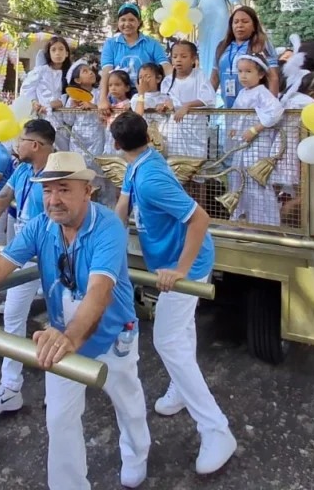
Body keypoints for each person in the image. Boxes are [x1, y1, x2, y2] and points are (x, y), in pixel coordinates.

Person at [0, 151, 150, 490]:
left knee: (128, 403)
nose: (53, 199)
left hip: (110, 334)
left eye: (64, 189)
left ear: (87, 190)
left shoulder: (107, 226)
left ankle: (137, 454)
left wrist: (71, 337)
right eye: (47, 190)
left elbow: (99, 291)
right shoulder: (40, 226)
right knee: (60, 420)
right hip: (62, 340)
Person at [112, 113, 236, 474]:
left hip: (188, 265)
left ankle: (216, 429)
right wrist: (105, 238)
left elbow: (199, 219)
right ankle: (181, 390)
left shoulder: (150, 177)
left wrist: (181, 270)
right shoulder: (138, 165)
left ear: (117, 145)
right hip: (169, 262)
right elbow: (121, 205)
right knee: (181, 334)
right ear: (147, 136)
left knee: (166, 340)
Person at [0, 119, 54, 417]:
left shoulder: (59, 173)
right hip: (25, 254)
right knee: (14, 316)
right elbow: (2, 199)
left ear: (35, 145)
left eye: (22, 140)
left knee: (63, 323)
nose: (16, 144)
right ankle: (10, 387)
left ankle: (62, 386)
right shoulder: (23, 170)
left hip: (56, 259)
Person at [226, 55, 285, 226]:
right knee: (239, 177)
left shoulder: (262, 92)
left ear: (260, 75)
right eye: (240, 71)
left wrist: (255, 129)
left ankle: (263, 222)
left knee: (256, 180)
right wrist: (234, 129)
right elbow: (237, 114)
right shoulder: (242, 93)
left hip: (258, 143)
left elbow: (276, 111)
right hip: (242, 143)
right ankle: (240, 216)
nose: (243, 76)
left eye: (248, 71)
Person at [99, 3, 171, 112]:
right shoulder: (110, 44)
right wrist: (103, 99)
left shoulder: (152, 44)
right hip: (118, 99)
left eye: (131, 20)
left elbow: (165, 67)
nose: (127, 24)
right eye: (123, 20)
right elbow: (106, 72)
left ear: (139, 22)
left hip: (147, 98)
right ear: (118, 23)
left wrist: (180, 77)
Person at [211, 6, 280, 105]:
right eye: (236, 22)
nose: (240, 25)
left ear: (254, 26)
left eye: (245, 21)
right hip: (228, 106)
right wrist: (204, 102)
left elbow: (273, 77)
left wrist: (271, 107)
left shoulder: (262, 44)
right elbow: (214, 78)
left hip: (254, 106)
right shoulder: (222, 46)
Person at [160, 40, 217, 159]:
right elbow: (164, 99)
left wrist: (187, 105)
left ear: (193, 58)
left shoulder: (199, 76)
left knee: (196, 163)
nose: (178, 60)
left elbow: (209, 98)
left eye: (184, 56)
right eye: (175, 56)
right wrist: (164, 105)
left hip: (196, 128)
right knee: (175, 161)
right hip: (175, 129)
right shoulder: (167, 81)